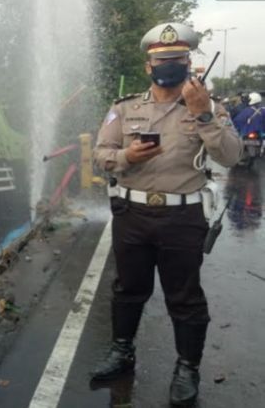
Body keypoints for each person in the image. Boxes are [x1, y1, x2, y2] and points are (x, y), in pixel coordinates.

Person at [92, 23, 242, 406]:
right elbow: (100, 155)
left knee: (185, 297)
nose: (168, 66)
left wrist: (203, 115)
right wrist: (126, 157)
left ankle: (187, 368)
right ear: (149, 66)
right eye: (162, 61)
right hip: (132, 213)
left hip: (182, 217)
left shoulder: (209, 107)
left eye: (176, 60)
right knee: (128, 289)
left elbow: (231, 156)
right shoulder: (124, 108)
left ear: (189, 64)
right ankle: (122, 353)